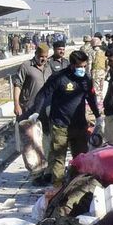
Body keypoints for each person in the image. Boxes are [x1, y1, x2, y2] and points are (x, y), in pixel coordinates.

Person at [30, 49, 101, 187]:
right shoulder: (59, 78)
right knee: (59, 159)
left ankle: (79, 185)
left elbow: (91, 98)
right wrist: (36, 112)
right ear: (72, 65)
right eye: (80, 66)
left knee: (81, 158)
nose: (82, 69)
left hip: (79, 126)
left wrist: (98, 116)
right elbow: (43, 94)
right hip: (60, 125)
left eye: (84, 66)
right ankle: (57, 188)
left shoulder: (86, 79)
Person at [16, 44, 53, 120]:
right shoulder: (26, 66)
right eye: (41, 56)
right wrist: (16, 104)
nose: (44, 59)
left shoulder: (48, 67)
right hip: (28, 108)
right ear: (36, 54)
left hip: (44, 108)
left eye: (46, 57)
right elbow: (17, 85)